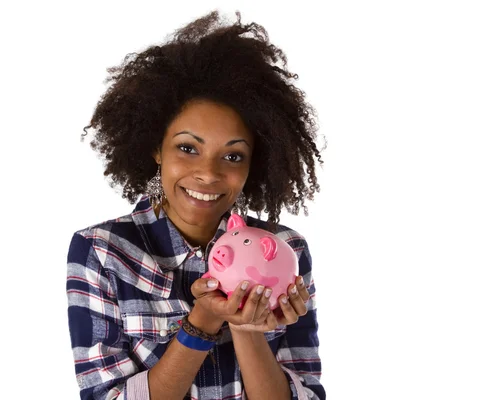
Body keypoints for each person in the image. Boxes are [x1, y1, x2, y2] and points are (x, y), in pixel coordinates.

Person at [66, 11, 325, 400]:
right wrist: (203, 320)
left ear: (256, 163)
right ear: (156, 147)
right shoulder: (102, 253)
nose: (207, 173)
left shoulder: (287, 250)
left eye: (233, 156)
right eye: (188, 148)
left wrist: (247, 328)